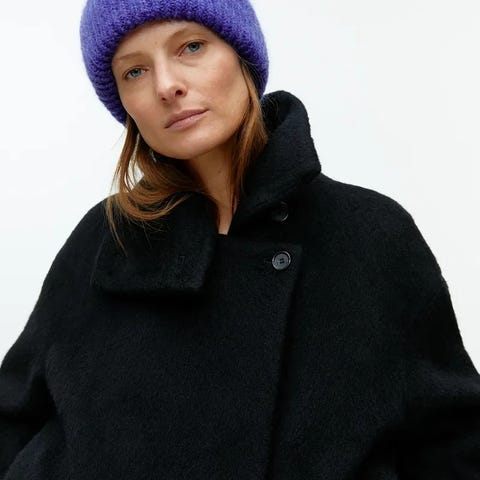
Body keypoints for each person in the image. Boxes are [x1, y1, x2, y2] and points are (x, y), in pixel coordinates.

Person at [0, 0, 479, 478]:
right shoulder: (107, 238)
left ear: (241, 54)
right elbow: (14, 418)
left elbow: (454, 445)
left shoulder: (369, 233)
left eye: (191, 47)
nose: (166, 85)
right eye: (134, 72)